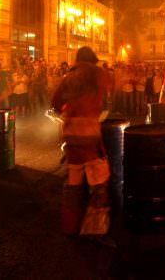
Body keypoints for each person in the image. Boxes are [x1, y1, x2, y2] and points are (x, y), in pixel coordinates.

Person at [51, 47, 112, 236]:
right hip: (89, 137)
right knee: (99, 181)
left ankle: (70, 226)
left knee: (73, 181)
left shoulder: (68, 77)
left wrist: (70, 109)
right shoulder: (97, 73)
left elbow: (55, 103)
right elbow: (109, 87)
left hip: (70, 136)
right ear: (92, 60)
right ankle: (95, 228)